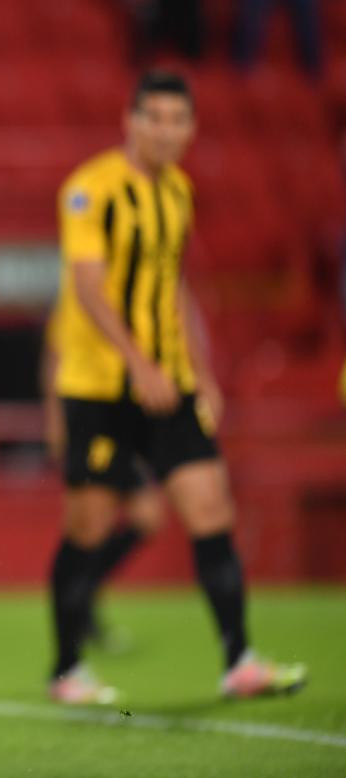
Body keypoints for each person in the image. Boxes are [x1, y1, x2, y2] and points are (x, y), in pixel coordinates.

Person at [47, 70, 308, 704]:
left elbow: (174, 287)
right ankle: (67, 667)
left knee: (211, 508)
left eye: (178, 120)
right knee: (89, 525)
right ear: (130, 122)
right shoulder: (91, 190)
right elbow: (88, 285)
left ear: (191, 129)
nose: (166, 130)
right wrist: (136, 361)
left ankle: (239, 659)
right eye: (154, 117)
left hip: (172, 384)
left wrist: (203, 371)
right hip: (101, 387)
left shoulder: (180, 193)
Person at [41, 302, 165, 654]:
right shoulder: (76, 303)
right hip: (90, 420)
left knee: (147, 517)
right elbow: (54, 360)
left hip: (124, 421)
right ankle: (76, 616)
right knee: (89, 528)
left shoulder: (134, 299)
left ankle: (87, 593)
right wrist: (55, 419)